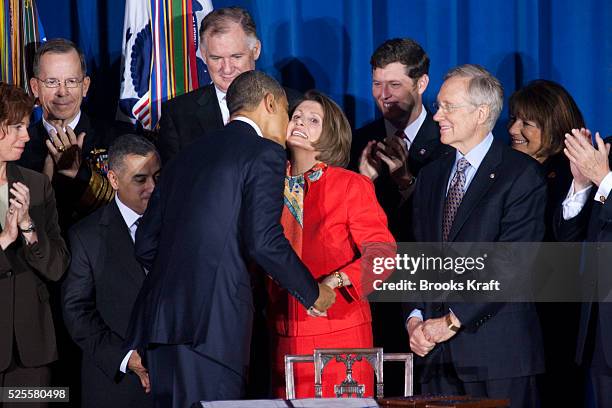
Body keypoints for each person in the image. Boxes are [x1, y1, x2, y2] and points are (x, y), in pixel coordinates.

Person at [124, 71, 336, 407]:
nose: (286, 126)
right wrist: (313, 293)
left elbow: (146, 244)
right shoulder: (264, 153)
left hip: (161, 328)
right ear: (269, 103)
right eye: (285, 113)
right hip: (214, 328)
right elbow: (264, 241)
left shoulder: (183, 159)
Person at [406, 65, 546, 407]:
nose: (437, 115)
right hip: (436, 359)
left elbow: (511, 265)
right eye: (438, 105)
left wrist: (452, 321)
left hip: (498, 357)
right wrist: (414, 319)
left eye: (448, 106)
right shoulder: (431, 175)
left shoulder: (521, 175)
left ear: (481, 113)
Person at [267, 90, 395, 398]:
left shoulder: (351, 184)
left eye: (313, 120)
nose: (300, 122)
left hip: (339, 338)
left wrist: (336, 280)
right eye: (296, 116)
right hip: (280, 333)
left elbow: (383, 256)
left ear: (331, 134)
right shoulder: (267, 184)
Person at [62, 135, 160, 408]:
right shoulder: (87, 236)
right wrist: (126, 357)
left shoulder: (177, 225)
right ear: (114, 180)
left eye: (156, 176)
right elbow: (77, 311)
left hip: (173, 381)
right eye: (140, 179)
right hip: (115, 387)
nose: (152, 187)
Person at [508, 79, 585, 406]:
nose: (513, 129)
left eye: (527, 123)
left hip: (556, 322)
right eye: (513, 119)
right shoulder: (508, 171)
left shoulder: (575, 176)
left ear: (554, 128)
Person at [157, 6, 301, 164]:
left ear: (256, 50)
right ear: (204, 56)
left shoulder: (294, 105)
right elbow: (173, 183)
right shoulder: (178, 114)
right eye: (216, 58)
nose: (227, 68)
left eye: (236, 56)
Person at [0, 83, 70, 407]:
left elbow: (56, 268)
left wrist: (28, 228)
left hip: (31, 355)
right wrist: (3, 241)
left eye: (26, 126)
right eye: (16, 127)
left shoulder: (37, 184)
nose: (26, 136)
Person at [353, 38, 450, 241]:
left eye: (394, 85)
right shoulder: (357, 141)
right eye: (377, 84)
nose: (383, 95)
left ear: (421, 84)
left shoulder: (448, 142)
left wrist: (407, 183)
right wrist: (363, 183)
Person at [20, 38, 116, 232]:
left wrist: (80, 174)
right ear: (35, 87)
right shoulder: (16, 146)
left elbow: (130, 208)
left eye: (71, 81)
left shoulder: (116, 138)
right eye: (52, 82)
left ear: (85, 86)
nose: (62, 92)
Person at [557, 127, 612, 407]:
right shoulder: (607, 151)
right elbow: (569, 238)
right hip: (602, 330)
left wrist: (604, 179)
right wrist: (582, 185)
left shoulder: (603, 167)